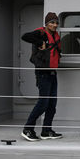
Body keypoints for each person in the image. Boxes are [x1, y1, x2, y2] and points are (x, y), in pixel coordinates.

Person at [20, 12, 62, 141]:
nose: (55, 25)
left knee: (52, 104)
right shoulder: (41, 33)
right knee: (43, 103)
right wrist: (40, 43)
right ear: (46, 23)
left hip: (52, 73)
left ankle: (46, 131)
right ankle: (28, 129)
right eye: (52, 22)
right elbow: (25, 36)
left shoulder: (55, 35)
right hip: (42, 73)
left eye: (56, 23)